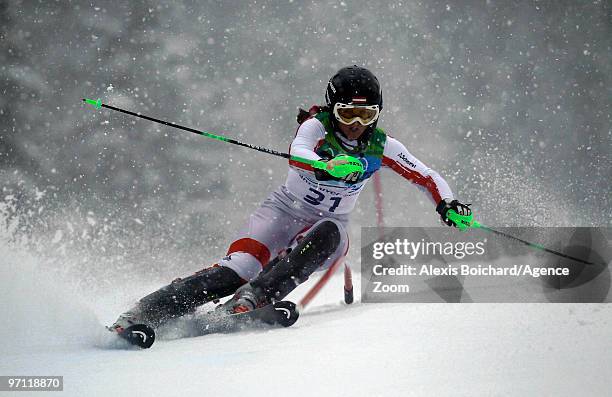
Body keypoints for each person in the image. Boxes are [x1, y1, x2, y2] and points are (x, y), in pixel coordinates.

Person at [110, 65, 472, 332]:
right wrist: (326, 166)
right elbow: (297, 151)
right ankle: (146, 311)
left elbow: (426, 176)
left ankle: (256, 298)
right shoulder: (316, 127)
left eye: (367, 115)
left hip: (327, 228)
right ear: (333, 110)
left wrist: (447, 204)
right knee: (237, 270)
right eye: (348, 114)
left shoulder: (383, 145)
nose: (356, 124)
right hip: (281, 212)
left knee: (329, 231)